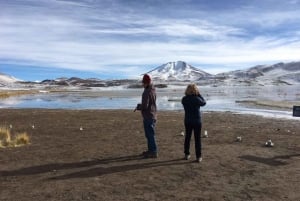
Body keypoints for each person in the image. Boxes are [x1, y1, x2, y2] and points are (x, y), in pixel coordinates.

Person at [181, 84, 206, 163]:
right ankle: (198, 156)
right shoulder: (197, 99)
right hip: (197, 121)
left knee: (187, 137)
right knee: (197, 139)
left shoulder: (184, 99)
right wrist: (199, 94)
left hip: (188, 120)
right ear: (195, 90)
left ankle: (186, 154)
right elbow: (204, 103)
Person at [135, 74, 158, 158]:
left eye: (144, 83)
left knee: (149, 135)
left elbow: (145, 106)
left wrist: (139, 107)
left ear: (146, 83)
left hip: (148, 116)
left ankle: (153, 151)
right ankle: (151, 150)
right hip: (153, 114)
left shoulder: (146, 92)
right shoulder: (153, 90)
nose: (143, 84)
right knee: (150, 134)